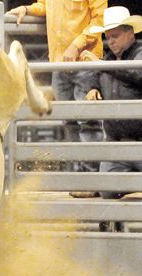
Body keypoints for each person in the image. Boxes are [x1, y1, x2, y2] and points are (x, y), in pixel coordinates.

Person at [7, 0, 107, 198]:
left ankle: (92, 180)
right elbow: (44, 5)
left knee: (88, 121)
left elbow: (100, 19)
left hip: (85, 61)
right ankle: (80, 177)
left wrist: (76, 45)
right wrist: (27, 9)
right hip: (59, 63)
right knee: (69, 121)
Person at [79, 6, 142, 231]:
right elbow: (94, 76)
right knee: (107, 190)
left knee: (110, 188)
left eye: (115, 36)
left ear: (130, 34)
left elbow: (138, 75)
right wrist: (92, 87)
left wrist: (104, 66)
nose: (111, 41)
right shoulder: (106, 61)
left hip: (140, 144)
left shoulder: (139, 54)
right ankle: (117, 224)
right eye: (108, 37)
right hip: (117, 145)